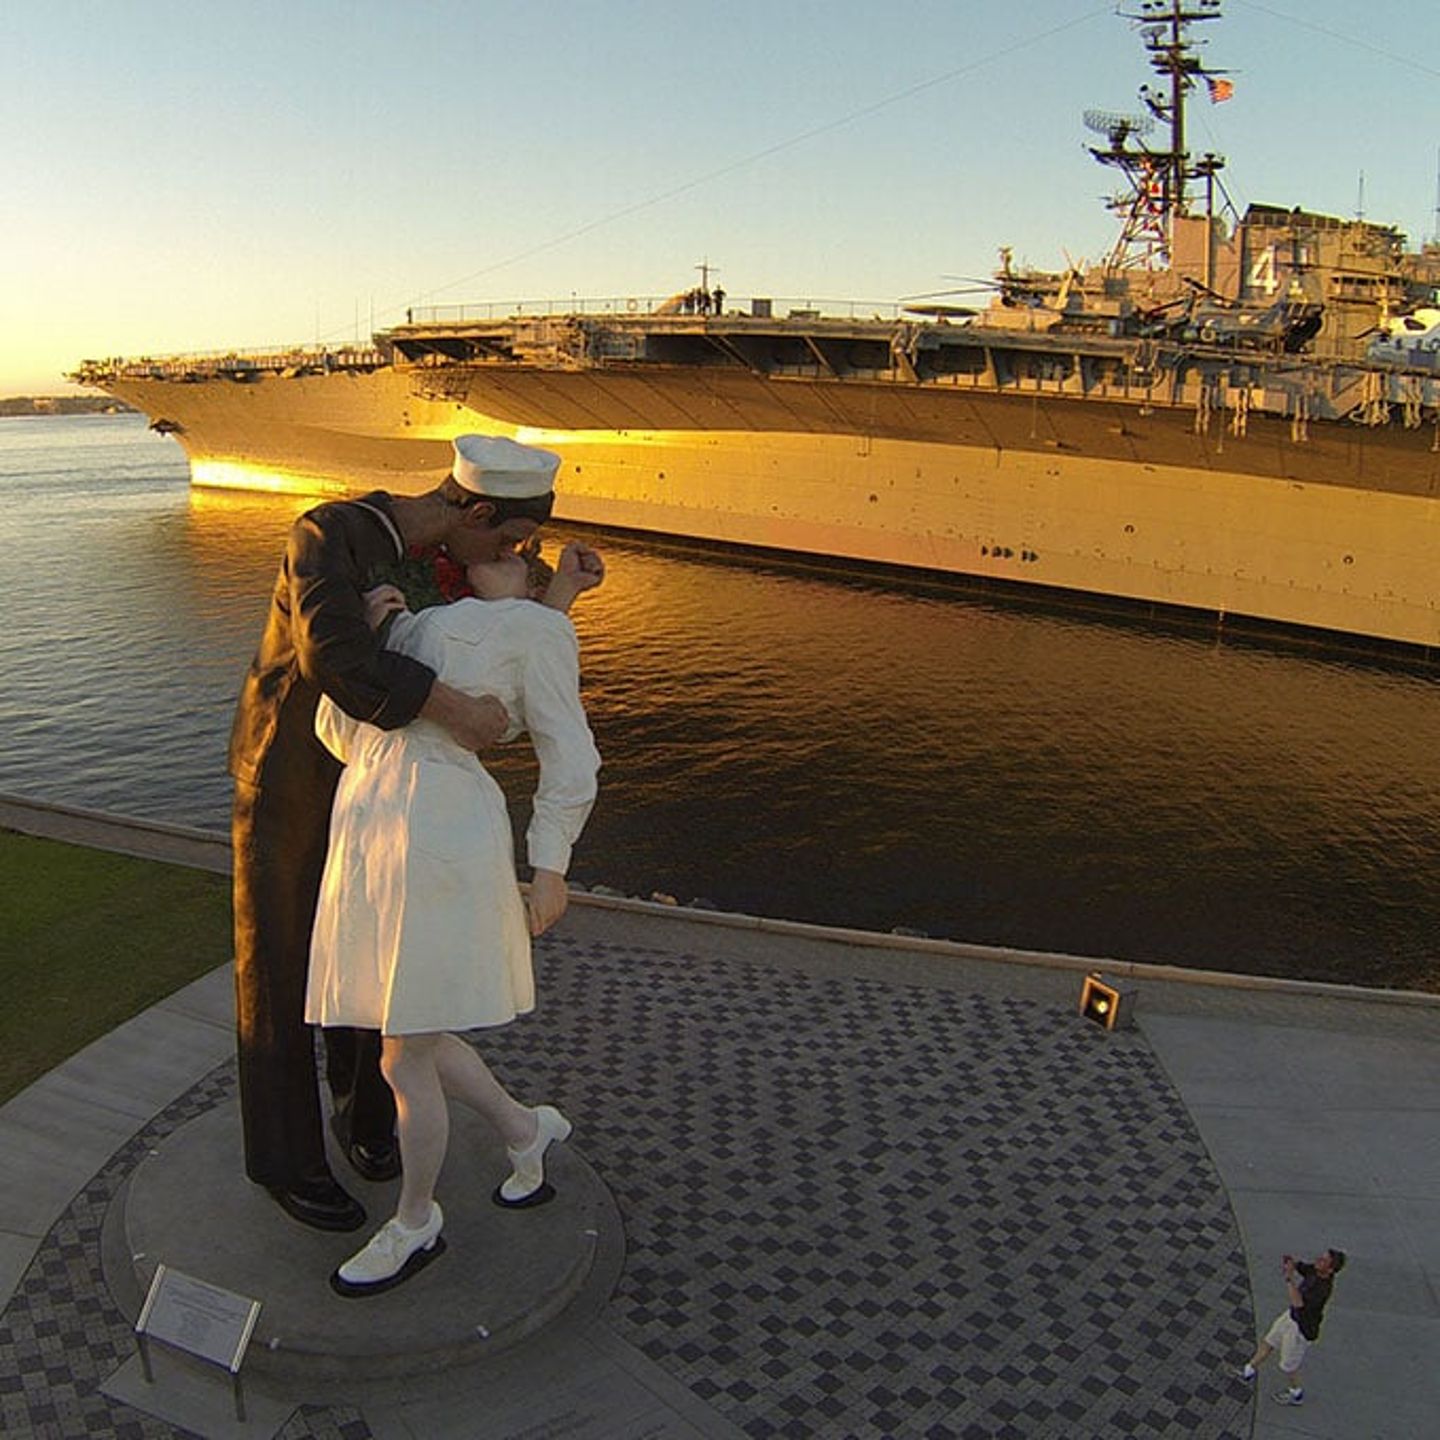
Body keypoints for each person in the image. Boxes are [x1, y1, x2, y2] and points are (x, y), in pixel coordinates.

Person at [229, 432, 601, 1233]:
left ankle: (367, 1121)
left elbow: (493, 640)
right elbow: (335, 659)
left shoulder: (445, 567)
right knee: (280, 968)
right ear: (471, 508)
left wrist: (556, 602)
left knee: (379, 954)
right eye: (508, 540)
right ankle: (286, 1160)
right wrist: (460, 710)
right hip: (295, 769)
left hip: (378, 777)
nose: (516, 553)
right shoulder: (326, 535)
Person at [306, 544, 601, 1295]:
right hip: (370, 835)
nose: (500, 552)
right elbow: (340, 739)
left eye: (516, 549)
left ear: (533, 580)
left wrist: (550, 864)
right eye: (493, 543)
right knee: (415, 1032)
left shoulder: (537, 630)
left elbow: (570, 752)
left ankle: (415, 1222)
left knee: (402, 1053)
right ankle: (524, 1132)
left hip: (441, 835)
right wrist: (369, 643)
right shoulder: (416, 625)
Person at [1239, 1247, 1346, 1406]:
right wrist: (1292, 1263)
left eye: (1323, 1260)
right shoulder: (1315, 1270)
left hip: (1300, 1330)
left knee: (1289, 1366)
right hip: (1291, 1317)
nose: (1318, 1260)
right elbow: (1302, 1267)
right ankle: (1249, 1370)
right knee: (1269, 1341)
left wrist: (1289, 1278)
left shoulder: (1322, 1289)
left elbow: (1298, 1302)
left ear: (1330, 1270)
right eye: (1321, 1257)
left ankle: (1296, 1393)